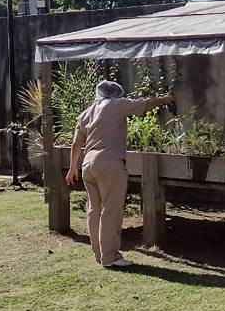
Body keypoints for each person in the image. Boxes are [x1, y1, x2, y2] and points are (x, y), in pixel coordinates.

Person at [65, 81, 173, 268]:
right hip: (110, 162)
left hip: (88, 165)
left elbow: (76, 144)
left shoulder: (85, 113)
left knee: (94, 210)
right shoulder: (115, 104)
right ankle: (111, 257)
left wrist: (72, 168)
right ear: (115, 93)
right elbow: (145, 103)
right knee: (111, 210)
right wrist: (165, 99)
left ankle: (99, 254)